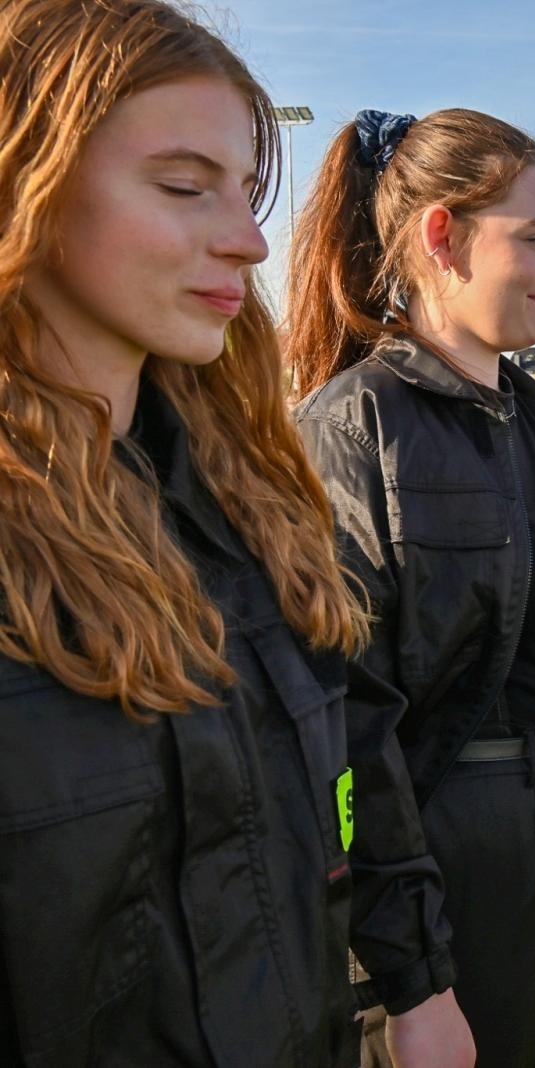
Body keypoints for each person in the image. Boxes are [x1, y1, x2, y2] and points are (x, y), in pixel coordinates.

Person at [0, 1, 429, 1062]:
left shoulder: (256, 510)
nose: (248, 239)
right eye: (184, 187)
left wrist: (418, 983)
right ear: (23, 184)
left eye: (244, 191)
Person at [287, 108, 535, 1066]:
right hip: (454, 849)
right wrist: (410, 978)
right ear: (442, 237)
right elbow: (351, 721)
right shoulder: (355, 426)